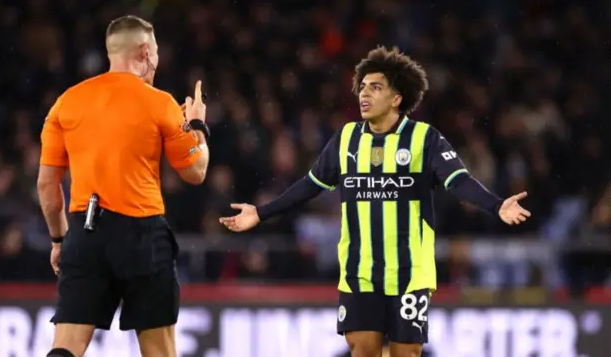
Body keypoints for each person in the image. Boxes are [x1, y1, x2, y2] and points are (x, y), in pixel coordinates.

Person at [219, 46, 531, 357]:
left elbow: (458, 181)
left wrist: (496, 205)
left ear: (397, 99)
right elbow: (309, 186)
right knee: (363, 349)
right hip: (360, 272)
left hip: (410, 273)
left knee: (406, 353)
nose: (364, 94)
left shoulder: (425, 139)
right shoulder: (346, 139)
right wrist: (261, 213)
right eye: (363, 87)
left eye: (375, 87)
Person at [37, 15, 210, 357]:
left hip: (85, 234)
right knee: (158, 348)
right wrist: (199, 126)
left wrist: (59, 240)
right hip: (142, 235)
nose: (158, 59)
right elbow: (196, 172)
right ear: (146, 51)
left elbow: (47, 186)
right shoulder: (159, 102)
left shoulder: (67, 102)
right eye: (157, 50)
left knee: (67, 346)